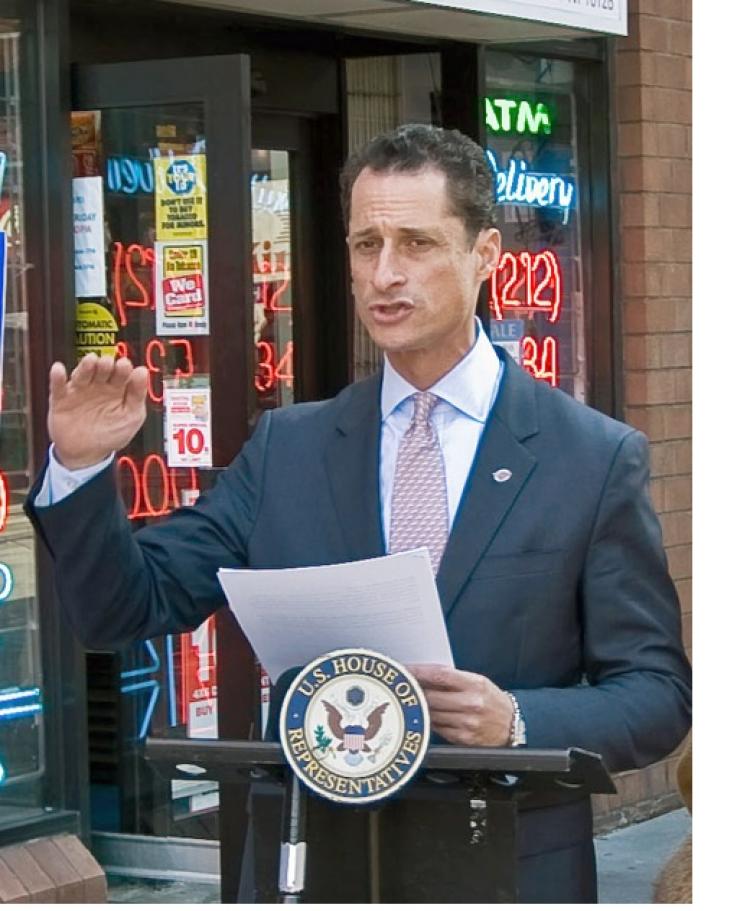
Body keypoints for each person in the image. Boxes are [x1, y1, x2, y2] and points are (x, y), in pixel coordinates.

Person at [26, 124, 691, 902]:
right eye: (365, 243)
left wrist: (515, 718)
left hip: (507, 868)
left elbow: (655, 693)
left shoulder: (591, 457)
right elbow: (122, 608)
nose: (385, 273)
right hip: (310, 867)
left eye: (416, 243)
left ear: (484, 255)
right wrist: (79, 466)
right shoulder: (289, 449)